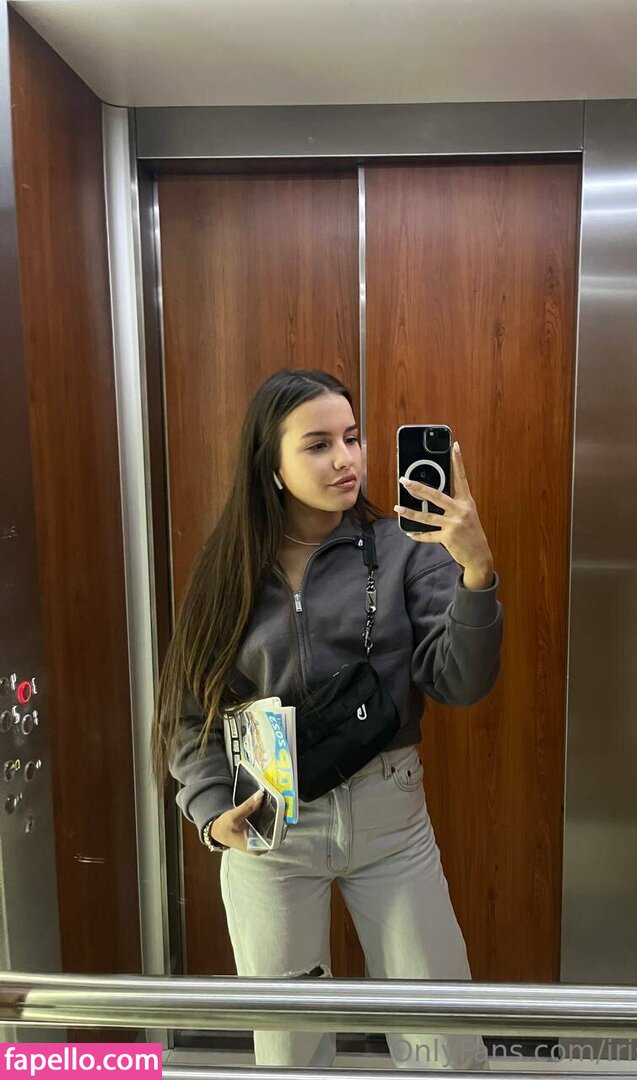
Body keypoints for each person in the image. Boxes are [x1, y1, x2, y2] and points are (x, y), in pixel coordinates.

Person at [152, 368, 503, 1070]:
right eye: (317, 445)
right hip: (271, 822)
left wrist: (475, 575)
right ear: (272, 465)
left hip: (390, 818)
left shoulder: (406, 548)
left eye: (351, 437)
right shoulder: (229, 568)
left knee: (442, 1040)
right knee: (290, 1048)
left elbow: (460, 683)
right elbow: (190, 713)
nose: (345, 459)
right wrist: (212, 812)